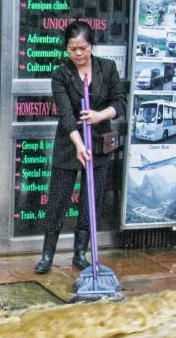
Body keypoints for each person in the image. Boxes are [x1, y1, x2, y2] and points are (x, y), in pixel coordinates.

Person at [35, 20, 127, 274]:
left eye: (83, 48)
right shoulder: (61, 74)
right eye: (72, 48)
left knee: (90, 202)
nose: (78, 54)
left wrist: (99, 115)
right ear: (66, 49)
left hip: (98, 144)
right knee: (58, 201)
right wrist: (77, 143)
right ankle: (47, 256)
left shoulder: (107, 69)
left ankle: (79, 254)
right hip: (69, 144)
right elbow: (65, 114)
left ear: (92, 46)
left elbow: (120, 103)